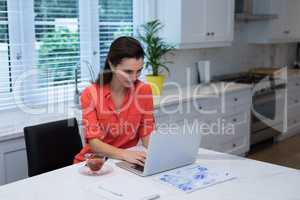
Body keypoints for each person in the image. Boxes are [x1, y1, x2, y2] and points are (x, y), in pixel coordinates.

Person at [74, 36, 155, 166]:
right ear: (112, 65)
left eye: (139, 71)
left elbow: (146, 132)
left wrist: (159, 154)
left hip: (123, 163)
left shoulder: (144, 91)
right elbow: (94, 143)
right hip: (93, 163)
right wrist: (124, 154)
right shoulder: (90, 94)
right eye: (128, 71)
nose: (134, 78)